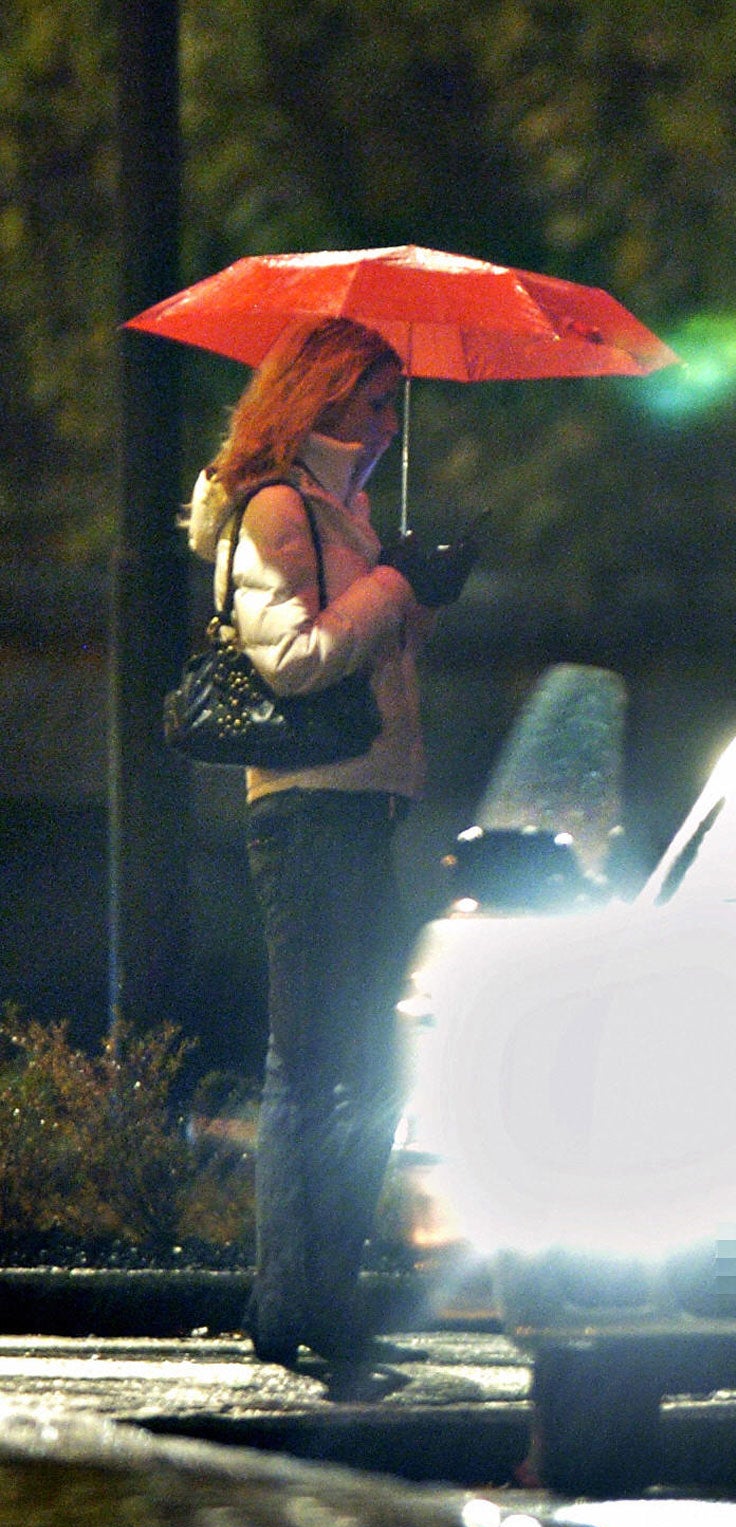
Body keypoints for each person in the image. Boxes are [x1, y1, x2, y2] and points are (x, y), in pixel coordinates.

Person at [184, 316, 478, 1378]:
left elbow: (366, 649)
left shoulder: (340, 513)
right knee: (314, 1067)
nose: (392, 421)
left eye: (395, 400)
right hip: (307, 814)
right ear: (319, 399)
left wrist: (418, 593)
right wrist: (392, 584)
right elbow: (298, 658)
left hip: (362, 810)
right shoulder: (273, 509)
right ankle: (292, 1298)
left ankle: (323, 1289)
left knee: (358, 1064)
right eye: (376, 400)